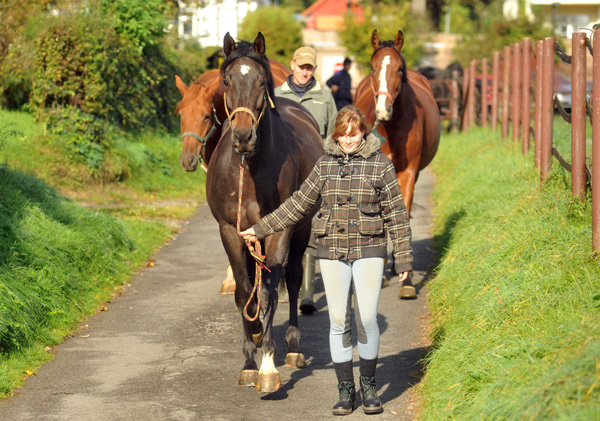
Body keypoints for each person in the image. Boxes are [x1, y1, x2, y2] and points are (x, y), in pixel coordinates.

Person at [239, 106, 413, 416]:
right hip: (332, 252)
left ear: (364, 133)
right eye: (343, 134)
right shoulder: (324, 166)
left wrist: (403, 262)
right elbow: (297, 204)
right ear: (336, 135)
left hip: (369, 250)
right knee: (337, 322)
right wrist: (260, 228)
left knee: (368, 319)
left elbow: (397, 216)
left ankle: (369, 386)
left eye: (354, 133)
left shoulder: (381, 166)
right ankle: (346, 391)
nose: (349, 140)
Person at [275, 45, 338, 314]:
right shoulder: (276, 95)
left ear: (314, 69)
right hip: (281, 172)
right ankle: (278, 282)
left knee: (309, 229)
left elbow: (335, 132)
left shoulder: (324, 97)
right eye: (301, 66)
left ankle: (308, 294)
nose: (304, 71)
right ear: (292, 65)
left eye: (309, 67)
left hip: (315, 171)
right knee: (280, 225)